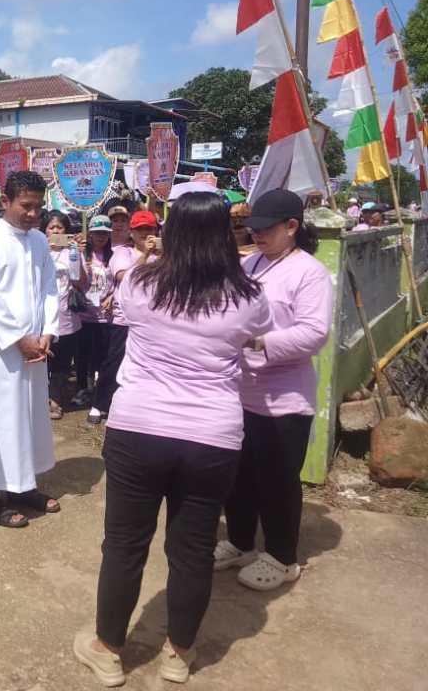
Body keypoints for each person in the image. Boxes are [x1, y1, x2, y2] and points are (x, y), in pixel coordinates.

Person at [74, 192, 272, 688]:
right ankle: (178, 655)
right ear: (227, 235)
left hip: (139, 427)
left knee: (123, 545)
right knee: (193, 549)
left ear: (171, 233)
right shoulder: (248, 296)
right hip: (212, 436)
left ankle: (107, 650)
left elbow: (128, 288)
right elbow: (256, 336)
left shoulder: (141, 284)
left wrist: (149, 253)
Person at [217, 189, 332, 591]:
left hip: (284, 397)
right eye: (253, 229)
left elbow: (315, 333)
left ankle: (283, 557)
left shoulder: (309, 273)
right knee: (240, 474)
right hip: (242, 391)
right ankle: (240, 541)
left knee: (278, 480)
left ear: (291, 227)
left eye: (266, 229)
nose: (257, 235)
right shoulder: (254, 264)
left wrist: (261, 343)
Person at [0, 170, 60, 528]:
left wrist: (48, 331)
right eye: (26, 206)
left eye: (38, 207)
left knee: (30, 418)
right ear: (5, 202)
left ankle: (23, 486)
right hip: (0, 351)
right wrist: (19, 338)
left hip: (36, 348)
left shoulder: (39, 242)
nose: (34, 214)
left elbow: (50, 288)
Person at [88, 210, 160, 426]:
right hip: (124, 320)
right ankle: (99, 404)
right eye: (140, 230)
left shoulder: (165, 254)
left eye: (149, 229)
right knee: (114, 363)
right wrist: (146, 256)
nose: (145, 234)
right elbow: (125, 277)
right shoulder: (121, 253)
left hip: (153, 321)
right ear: (132, 232)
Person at [42, 210, 86, 420]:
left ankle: (56, 400)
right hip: (42, 319)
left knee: (61, 363)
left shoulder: (73, 252)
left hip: (67, 318)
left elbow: (81, 282)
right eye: (52, 227)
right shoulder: (38, 250)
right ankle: (42, 398)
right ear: (45, 230)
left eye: (60, 227)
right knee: (44, 361)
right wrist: (46, 251)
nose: (56, 231)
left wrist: (76, 253)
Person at [74, 215, 114, 406]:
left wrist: (112, 297)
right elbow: (74, 280)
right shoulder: (81, 253)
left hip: (105, 316)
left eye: (105, 233)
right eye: (97, 233)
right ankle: (82, 388)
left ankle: (98, 389)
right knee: (82, 355)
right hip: (83, 314)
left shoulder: (113, 255)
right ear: (89, 233)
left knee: (101, 355)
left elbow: (118, 281)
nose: (101, 237)